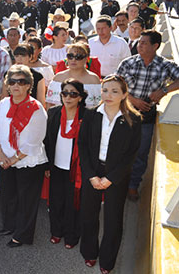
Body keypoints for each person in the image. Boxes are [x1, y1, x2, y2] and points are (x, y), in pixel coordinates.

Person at [78, 75, 142, 274]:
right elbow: (83, 146)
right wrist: (90, 175)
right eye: (105, 90)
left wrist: (111, 178)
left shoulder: (134, 119)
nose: (108, 95)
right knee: (88, 214)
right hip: (93, 171)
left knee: (113, 219)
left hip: (116, 174)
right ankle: (89, 252)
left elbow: (132, 154)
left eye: (115, 91)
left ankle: (107, 260)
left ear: (124, 94)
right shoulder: (90, 115)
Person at [0, 65, 48, 248]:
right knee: (8, 195)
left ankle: (22, 235)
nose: (16, 86)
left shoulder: (37, 109)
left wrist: (12, 160)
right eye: (12, 82)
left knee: (27, 200)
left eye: (21, 82)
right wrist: (0, 153)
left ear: (29, 85)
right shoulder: (4, 104)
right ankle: (10, 225)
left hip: (28, 161)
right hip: (4, 158)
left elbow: (34, 141)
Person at [117, 30, 179, 201]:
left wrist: (164, 90)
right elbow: (114, 86)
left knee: (141, 153)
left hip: (146, 117)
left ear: (155, 46)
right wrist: (132, 100)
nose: (139, 45)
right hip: (124, 113)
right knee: (119, 150)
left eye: (144, 43)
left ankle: (132, 186)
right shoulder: (128, 63)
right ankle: (116, 184)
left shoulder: (165, 65)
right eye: (139, 42)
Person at [44, 79, 87, 250]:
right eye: (65, 93)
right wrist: (47, 165)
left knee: (73, 204)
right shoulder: (54, 113)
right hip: (56, 166)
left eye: (73, 94)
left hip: (76, 169)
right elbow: (47, 140)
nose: (68, 97)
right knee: (55, 202)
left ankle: (71, 235)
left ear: (81, 97)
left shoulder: (87, 117)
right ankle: (56, 231)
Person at [47, 43, 101, 108]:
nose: (73, 60)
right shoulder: (58, 78)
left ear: (86, 58)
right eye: (70, 56)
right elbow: (50, 104)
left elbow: (98, 106)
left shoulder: (94, 79)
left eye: (78, 57)